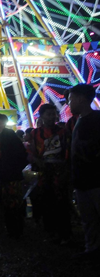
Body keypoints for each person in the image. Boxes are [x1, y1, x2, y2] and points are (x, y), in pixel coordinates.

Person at [30, 103, 71, 244]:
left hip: (60, 170)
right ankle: (51, 232)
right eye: (49, 114)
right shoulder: (35, 134)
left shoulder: (63, 132)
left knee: (62, 202)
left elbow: (68, 150)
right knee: (47, 201)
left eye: (54, 114)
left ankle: (64, 233)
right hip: (45, 170)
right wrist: (37, 161)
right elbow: (31, 152)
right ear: (41, 116)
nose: (52, 117)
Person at [68, 84, 100, 259]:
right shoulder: (77, 121)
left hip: (95, 179)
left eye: (71, 99)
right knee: (88, 219)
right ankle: (92, 249)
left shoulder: (96, 119)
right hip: (81, 179)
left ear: (81, 99)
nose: (68, 103)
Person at [0, 114, 28, 239]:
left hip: (11, 175)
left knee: (12, 203)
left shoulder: (7, 136)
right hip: (8, 174)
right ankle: (13, 229)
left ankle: (15, 230)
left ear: (0, 122)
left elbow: (12, 155)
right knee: (9, 202)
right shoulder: (2, 136)